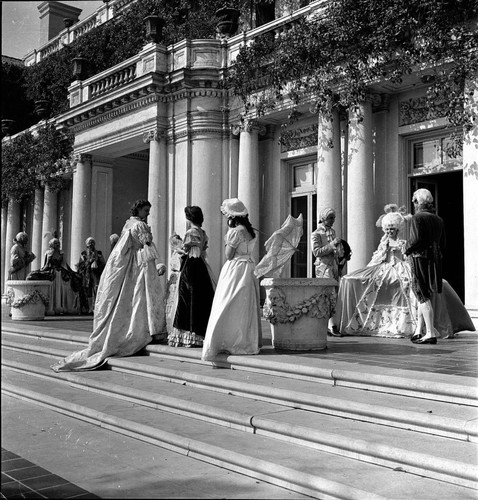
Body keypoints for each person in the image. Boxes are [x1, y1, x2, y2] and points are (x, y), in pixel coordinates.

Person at [51, 199, 167, 372]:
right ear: (139, 210)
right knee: (141, 296)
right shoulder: (140, 226)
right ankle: (146, 330)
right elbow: (147, 245)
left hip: (129, 264)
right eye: (146, 210)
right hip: (139, 263)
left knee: (133, 298)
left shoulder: (128, 223)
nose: (148, 213)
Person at [338, 204, 474, 339]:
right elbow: (377, 259)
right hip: (385, 268)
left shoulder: (403, 243)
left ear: (397, 229)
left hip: (402, 268)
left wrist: (403, 252)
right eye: (387, 229)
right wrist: (378, 259)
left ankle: (417, 327)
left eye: (392, 229)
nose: (389, 232)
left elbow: (408, 257)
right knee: (365, 283)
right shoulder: (383, 243)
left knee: (413, 288)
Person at [202, 198, 262, 361]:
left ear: (232, 216)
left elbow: (229, 255)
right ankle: (243, 341)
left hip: (235, 268)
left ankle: (226, 340)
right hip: (248, 267)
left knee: (226, 302)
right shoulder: (252, 231)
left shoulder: (235, 231)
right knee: (243, 305)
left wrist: (228, 240)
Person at [168, 206, 216, 347]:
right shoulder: (202, 232)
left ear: (188, 218)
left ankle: (189, 334)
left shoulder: (191, 232)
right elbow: (200, 250)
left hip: (191, 266)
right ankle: (200, 333)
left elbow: (187, 250)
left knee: (187, 297)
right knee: (201, 297)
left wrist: (176, 245)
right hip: (200, 265)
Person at [405, 189, 446, 345]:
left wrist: (406, 249)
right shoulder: (438, 219)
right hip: (434, 259)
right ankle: (419, 330)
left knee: (422, 294)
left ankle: (429, 332)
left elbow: (415, 241)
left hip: (419, 258)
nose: (413, 204)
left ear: (417, 202)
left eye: (414, 201)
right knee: (423, 295)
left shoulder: (417, 218)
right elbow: (443, 243)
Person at [311, 207, 345, 337]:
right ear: (324, 218)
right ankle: (329, 325)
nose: (333, 221)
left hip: (334, 266)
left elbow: (336, 249)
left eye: (334, 218)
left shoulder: (333, 231)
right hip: (323, 268)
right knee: (326, 295)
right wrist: (332, 246)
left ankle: (332, 324)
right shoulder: (316, 233)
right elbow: (316, 252)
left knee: (334, 295)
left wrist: (341, 254)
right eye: (331, 218)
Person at [27, 238, 83, 315]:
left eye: (58, 243)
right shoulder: (48, 253)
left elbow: (65, 265)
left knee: (71, 280)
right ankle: (52, 308)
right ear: (51, 244)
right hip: (52, 273)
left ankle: (64, 307)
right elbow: (46, 266)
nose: (58, 244)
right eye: (56, 243)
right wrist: (40, 270)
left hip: (61, 273)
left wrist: (72, 272)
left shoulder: (61, 253)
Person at [76, 237, 106, 314]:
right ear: (87, 245)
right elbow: (81, 265)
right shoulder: (84, 254)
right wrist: (89, 262)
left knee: (97, 287)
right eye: (90, 243)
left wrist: (98, 263)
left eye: (92, 242)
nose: (91, 244)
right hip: (87, 274)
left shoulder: (98, 253)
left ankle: (96, 306)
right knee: (88, 290)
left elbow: (103, 263)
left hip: (96, 273)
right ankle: (89, 307)